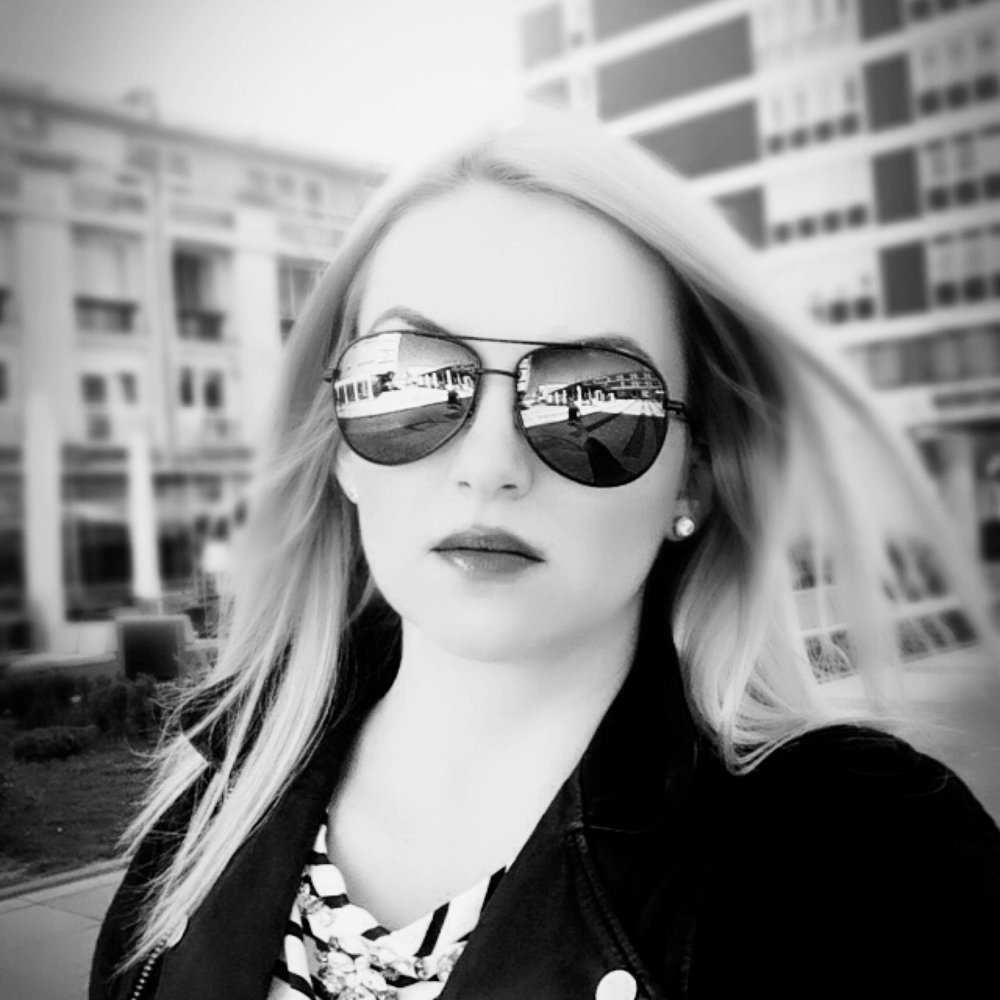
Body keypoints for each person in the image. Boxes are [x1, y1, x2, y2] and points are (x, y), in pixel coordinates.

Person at [91, 111, 1000, 1000]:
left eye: (595, 399)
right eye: (408, 382)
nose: (489, 464)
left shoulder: (868, 865)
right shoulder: (206, 816)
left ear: (694, 478)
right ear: (340, 446)